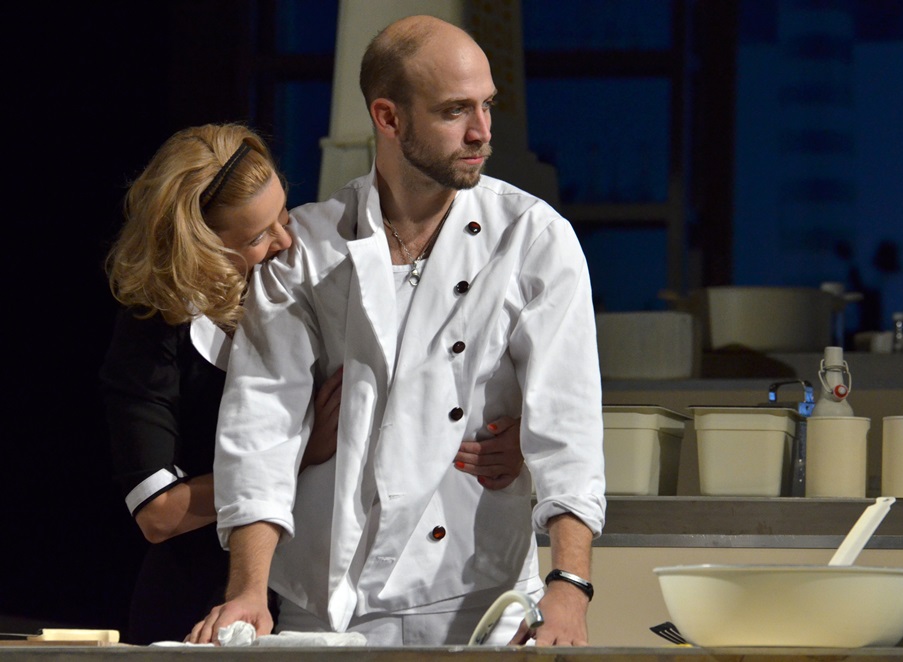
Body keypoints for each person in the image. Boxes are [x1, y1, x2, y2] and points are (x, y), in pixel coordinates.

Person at [188, 15, 605, 647]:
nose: (482, 132)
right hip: (328, 603)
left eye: (487, 106)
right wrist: (248, 588)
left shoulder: (533, 238)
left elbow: (567, 428)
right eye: (455, 111)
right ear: (388, 117)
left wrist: (569, 586)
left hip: (480, 601)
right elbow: (261, 425)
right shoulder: (307, 249)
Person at [100, 123, 523, 644]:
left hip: (308, 595)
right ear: (199, 249)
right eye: (257, 237)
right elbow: (159, 514)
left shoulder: (312, 283)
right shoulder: (152, 334)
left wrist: (511, 436)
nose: (286, 241)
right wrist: (298, 452)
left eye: (283, 215)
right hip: (198, 601)